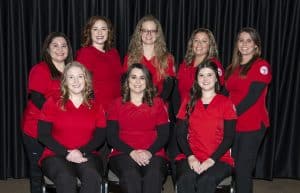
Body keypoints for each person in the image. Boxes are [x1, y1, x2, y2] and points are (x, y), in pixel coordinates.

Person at [37, 61, 107, 193]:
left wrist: (81, 151)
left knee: (92, 177)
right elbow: (43, 135)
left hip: (87, 153)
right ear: (64, 81)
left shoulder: (96, 106)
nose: (76, 81)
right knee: (66, 178)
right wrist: (67, 153)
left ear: (86, 80)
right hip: (55, 154)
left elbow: (100, 136)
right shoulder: (52, 102)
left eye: (80, 76)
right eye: (71, 77)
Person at [21, 32, 73, 193]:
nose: (60, 49)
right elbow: (37, 99)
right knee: (38, 173)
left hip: (62, 131)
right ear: (47, 49)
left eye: (63, 45)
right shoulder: (40, 69)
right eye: (55, 45)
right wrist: (60, 115)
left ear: (68, 49)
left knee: (63, 171)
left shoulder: (73, 70)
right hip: (36, 130)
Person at [176, 61, 237, 193]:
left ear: (216, 78)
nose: (205, 79)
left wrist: (211, 160)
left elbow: (229, 138)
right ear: (197, 80)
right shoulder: (188, 101)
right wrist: (191, 157)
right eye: (201, 75)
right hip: (192, 156)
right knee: (186, 178)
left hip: (219, 158)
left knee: (206, 180)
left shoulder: (226, 103)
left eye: (209, 75)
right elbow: (180, 135)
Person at [107, 63, 170, 193]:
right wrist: (132, 152)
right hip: (123, 152)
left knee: (154, 175)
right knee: (131, 175)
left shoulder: (158, 103)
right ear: (127, 80)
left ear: (147, 82)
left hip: (154, 152)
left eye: (142, 78)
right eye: (133, 77)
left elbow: (164, 135)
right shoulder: (116, 104)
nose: (137, 81)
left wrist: (149, 152)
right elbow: (112, 136)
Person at [225, 27, 272, 193]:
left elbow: (252, 98)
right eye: (241, 40)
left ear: (256, 46)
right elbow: (224, 94)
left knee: (243, 170)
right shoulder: (232, 67)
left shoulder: (261, 65)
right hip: (234, 125)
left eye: (249, 40)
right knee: (235, 168)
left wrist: (228, 114)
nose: (244, 44)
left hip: (252, 125)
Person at [123, 14, 176, 101]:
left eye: (152, 31)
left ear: (157, 34)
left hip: (158, 106)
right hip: (135, 105)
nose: (149, 34)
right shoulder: (129, 58)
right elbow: (125, 85)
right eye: (145, 30)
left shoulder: (167, 59)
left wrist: (154, 105)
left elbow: (168, 89)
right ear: (140, 33)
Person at [76, 15, 122, 111]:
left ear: (108, 31)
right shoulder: (85, 53)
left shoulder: (114, 53)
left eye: (103, 29)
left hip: (117, 107)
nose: (99, 33)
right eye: (95, 29)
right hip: (98, 109)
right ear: (89, 32)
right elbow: (82, 85)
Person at [177, 28, 225, 103]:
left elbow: (219, 90)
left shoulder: (213, 64)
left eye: (204, 41)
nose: (199, 44)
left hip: (203, 110)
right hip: (184, 109)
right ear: (192, 43)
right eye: (196, 40)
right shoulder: (186, 63)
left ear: (210, 45)